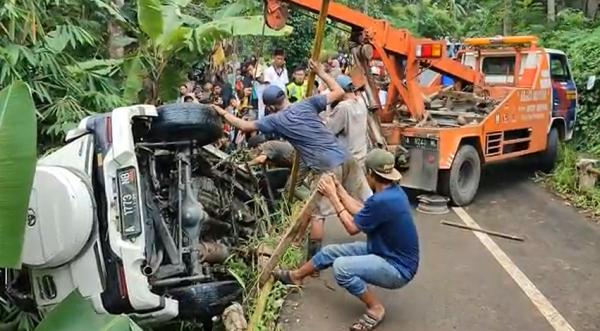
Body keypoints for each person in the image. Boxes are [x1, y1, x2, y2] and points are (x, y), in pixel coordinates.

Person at [211, 59, 371, 258]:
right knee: (367, 200)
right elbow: (338, 91)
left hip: (326, 166)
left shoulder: (275, 120)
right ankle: (383, 233)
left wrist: (221, 112)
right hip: (346, 155)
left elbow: (244, 126)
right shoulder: (307, 103)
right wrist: (321, 72)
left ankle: (313, 262)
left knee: (318, 215)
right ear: (285, 95)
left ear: (270, 107)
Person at [273, 148, 419, 331]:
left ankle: (375, 307)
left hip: (398, 268)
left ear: (371, 174)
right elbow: (361, 211)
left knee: (341, 267)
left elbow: (352, 227)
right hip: (384, 250)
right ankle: (296, 276)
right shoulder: (392, 193)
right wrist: (338, 187)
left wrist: (333, 197)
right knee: (330, 252)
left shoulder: (383, 200)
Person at [324, 75, 369, 167]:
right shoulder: (361, 101)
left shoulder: (343, 107)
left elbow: (328, 130)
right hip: (361, 156)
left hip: (348, 160)